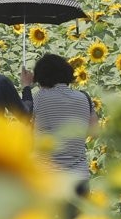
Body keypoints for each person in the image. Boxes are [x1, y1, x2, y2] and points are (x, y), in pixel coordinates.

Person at [24, 52, 98, 202]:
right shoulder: (84, 98)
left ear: (40, 77)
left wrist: (26, 86)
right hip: (79, 178)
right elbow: (94, 131)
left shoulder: (37, 98)